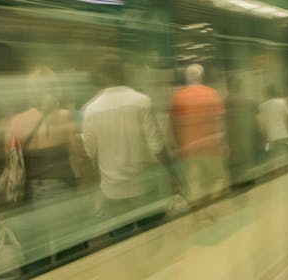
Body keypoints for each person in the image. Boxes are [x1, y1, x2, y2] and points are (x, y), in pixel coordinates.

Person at [82, 55, 179, 228]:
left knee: (122, 243)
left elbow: (87, 154)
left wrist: (93, 189)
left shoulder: (91, 110)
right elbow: (156, 145)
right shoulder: (141, 101)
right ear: (123, 73)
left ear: (102, 76)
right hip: (144, 186)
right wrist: (172, 173)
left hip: (113, 191)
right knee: (153, 239)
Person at [4, 68, 87, 261]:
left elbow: (10, 164)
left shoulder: (15, 122)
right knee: (70, 256)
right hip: (61, 194)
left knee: (36, 262)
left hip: (27, 199)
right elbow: (81, 157)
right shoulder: (65, 117)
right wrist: (86, 186)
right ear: (55, 87)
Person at [170, 64, 227, 204]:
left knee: (194, 184)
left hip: (189, 151)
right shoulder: (212, 93)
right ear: (201, 77)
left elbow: (172, 125)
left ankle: (199, 217)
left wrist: (178, 146)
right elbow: (220, 122)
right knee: (217, 179)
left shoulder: (178, 97)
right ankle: (213, 206)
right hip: (211, 149)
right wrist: (222, 141)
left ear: (186, 78)